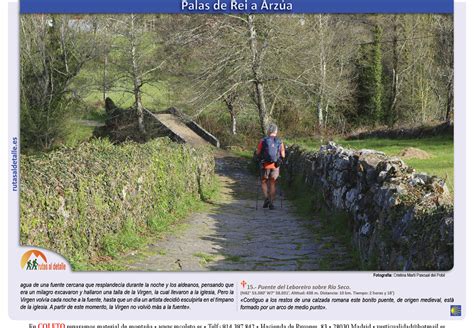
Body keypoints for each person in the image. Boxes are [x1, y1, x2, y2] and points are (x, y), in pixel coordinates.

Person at [256, 123, 285, 210]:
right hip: (275, 166)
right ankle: (271, 203)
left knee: (264, 181)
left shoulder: (263, 141)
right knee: (273, 183)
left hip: (265, 164)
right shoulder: (280, 141)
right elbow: (283, 155)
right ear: (276, 131)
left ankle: (266, 198)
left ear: (269, 131)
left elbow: (258, 153)